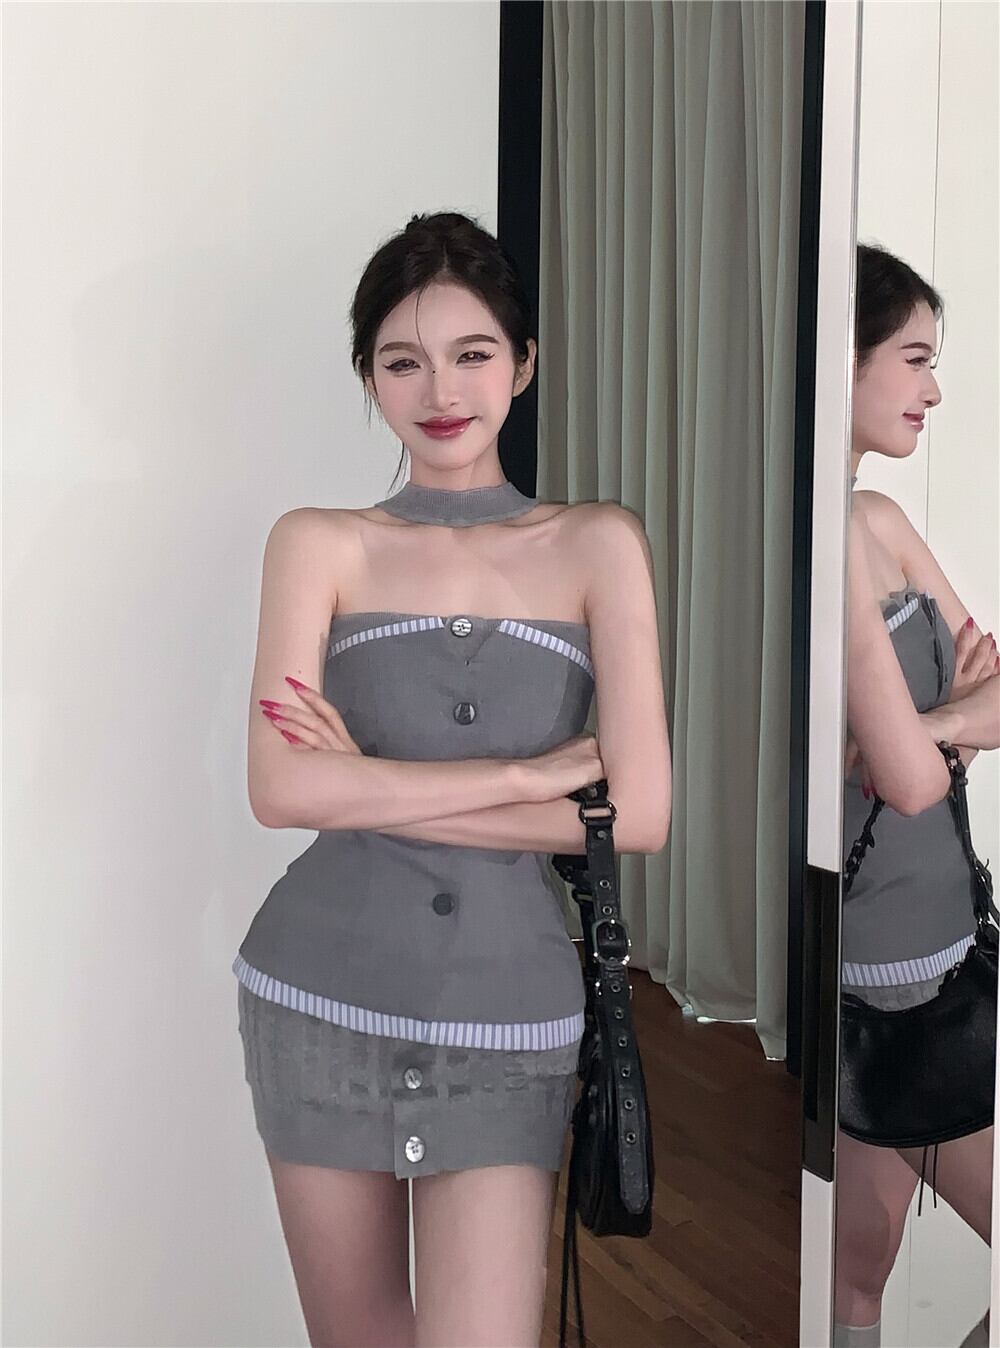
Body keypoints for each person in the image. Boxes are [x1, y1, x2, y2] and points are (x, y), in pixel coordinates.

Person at [233, 211, 672, 1348]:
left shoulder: (598, 542)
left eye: (472, 353)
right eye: (402, 361)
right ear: (368, 378)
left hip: (510, 1013)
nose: (440, 390)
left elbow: (639, 813)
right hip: (316, 997)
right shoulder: (316, 542)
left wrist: (363, 781)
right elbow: (281, 791)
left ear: (522, 363)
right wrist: (525, 778)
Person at [834, 243, 1000, 1348]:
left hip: (945, 939)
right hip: (881, 970)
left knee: (860, 1257)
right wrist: (935, 737)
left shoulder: (880, 521)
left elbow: (992, 696)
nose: (932, 389)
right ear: (841, 364)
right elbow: (899, 783)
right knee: (856, 1258)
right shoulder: (819, 543)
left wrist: (925, 727)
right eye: (913, 358)